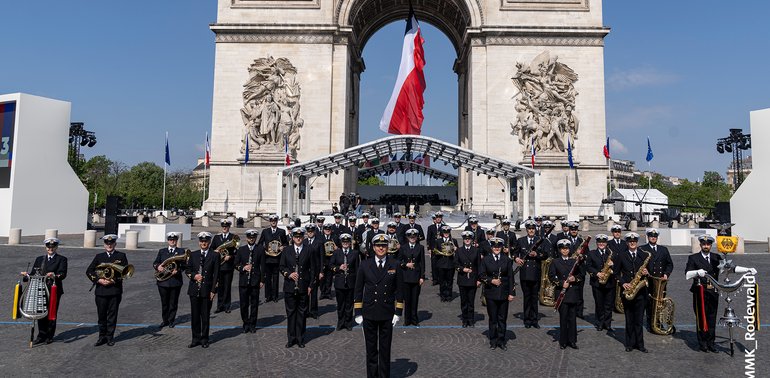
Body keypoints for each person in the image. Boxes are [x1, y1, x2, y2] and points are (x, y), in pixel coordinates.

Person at [354, 234, 404, 378]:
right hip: (369, 312)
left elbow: (399, 290)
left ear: (387, 247)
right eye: (378, 246)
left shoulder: (394, 264)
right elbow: (358, 290)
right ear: (373, 247)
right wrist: (358, 312)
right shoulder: (365, 264)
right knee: (371, 350)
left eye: (383, 246)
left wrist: (398, 312)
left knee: (385, 349)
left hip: (387, 313)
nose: (381, 248)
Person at [21, 238, 67, 345]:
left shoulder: (62, 259)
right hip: (39, 288)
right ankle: (41, 335)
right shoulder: (39, 259)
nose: (50, 249)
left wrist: (54, 275)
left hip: (53, 289)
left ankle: (49, 336)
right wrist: (26, 275)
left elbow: (63, 274)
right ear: (46, 247)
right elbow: (34, 273)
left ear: (56, 247)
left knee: (51, 312)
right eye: (48, 247)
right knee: (40, 312)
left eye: (53, 247)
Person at [86, 234, 128, 347]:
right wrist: (99, 280)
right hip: (101, 291)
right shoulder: (99, 256)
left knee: (112, 315)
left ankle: (110, 337)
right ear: (104, 245)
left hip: (114, 290)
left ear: (115, 244)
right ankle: (101, 336)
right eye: (107, 243)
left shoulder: (121, 256)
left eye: (111, 243)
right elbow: (89, 271)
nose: (109, 245)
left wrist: (113, 281)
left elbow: (125, 274)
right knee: (101, 315)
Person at [280, 228, 317, 348]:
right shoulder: (287, 250)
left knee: (302, 313)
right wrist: (289, 274)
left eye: (300, 236)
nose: (298, 238)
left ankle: (300, 338)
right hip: (290, 286)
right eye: (296, 236)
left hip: (303, 286)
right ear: (292, 238)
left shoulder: (309, 250)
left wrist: (311, 285)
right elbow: (281, 266)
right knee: (291, 313)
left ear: (303, 237)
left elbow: (313, 270)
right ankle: (291, 338)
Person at [479, 237, 516, 350]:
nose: (496, 248)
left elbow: (511, 278)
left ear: (501, 247)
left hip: (504, 293)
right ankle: (493, 340)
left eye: (498, 246)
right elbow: (481, 275)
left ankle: (501, 340)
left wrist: (511, 293)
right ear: (491, 247)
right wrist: (491, 281)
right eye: (494, 247)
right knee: (493, 318)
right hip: (491, 293)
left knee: (502, 318)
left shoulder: (507, 260)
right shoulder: (485, 260)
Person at [186, 232, 220, 348]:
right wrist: (194, 275)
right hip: (194, 290)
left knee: (205, 316)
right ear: (199, 242)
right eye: (201, 241)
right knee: (195, 316)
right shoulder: (193, 254)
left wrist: (213, 291)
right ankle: (195, 338)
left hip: (207, 290)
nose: (203, 243)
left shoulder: (215, 255)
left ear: (209, 242)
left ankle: (205, 339)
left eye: (205, 241)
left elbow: (216, 275)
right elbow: (188, 270)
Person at [617, 232, 648, 353]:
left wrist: (647, 272)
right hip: (628, 291)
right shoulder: (621, 255)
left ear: (637, 242)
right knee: (629, 320)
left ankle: (640, 344)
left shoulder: (643, 255)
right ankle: (629, 344)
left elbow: (649, 271)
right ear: (627, 243)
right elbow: (616, 273)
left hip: (640, 292)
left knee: (639, 320)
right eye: (630, 241)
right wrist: (623, 283)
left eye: (634, 241)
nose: (632, 243)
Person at [550, 239, 583, 349]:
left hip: (572, 294)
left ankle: (572, 341)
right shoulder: (555, 262)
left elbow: (581, 276)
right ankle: (563, 341)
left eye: (567, 248)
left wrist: (575, 278)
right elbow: (551, 276)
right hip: (562, 294)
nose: (565, 250)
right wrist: (560, 283)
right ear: (560, 250)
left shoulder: (574, 261)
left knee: (572, 319)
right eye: (563, 249)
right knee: (563, 318)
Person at [640, 228, 673, 331]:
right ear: (648, 237)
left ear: (657, 238)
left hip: (660, 280)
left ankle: (658, 322)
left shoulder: (663, 249)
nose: (653, 238)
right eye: (651, 236)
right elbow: (637, 263)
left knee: (660, 303)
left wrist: (666, 274)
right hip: (648, 280)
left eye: (655, 236)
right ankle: (650, 323)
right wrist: (643, 270)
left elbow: (669, 264)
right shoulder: (642, 249)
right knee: (649, 302)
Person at [234, 229, 265, 333]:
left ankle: (252, 324)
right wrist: (243, 267)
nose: (251, 239)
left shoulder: (260, 249)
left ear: (255, 238)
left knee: (254, 303)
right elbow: (236, 264)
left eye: (253, 238)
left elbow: (263, 266)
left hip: (255, 280)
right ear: (247, 238)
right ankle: (245, 323)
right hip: (243, 281)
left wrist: (262, 280)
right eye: (250, 238)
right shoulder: (241, 250)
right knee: (243, 304)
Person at [515, 220, 544, 328]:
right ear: (526, 229)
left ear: (535, 229)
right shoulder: (521, 240)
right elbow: (515, 252)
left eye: (533, 229)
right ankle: (527, 319)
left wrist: (537, 254)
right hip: (525, 274)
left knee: (534, 297)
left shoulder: (539, 240)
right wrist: (516, 258)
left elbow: (545, 254)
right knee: (527, 297)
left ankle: (534, 319)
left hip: (536, 273)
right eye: (529, 229)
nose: (531, 230)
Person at [152, 232, 186, 328]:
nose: (172, 241)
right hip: (163, 282)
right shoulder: (162, 251)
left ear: (176, 241)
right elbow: (155, 262)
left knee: (173, 302)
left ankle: (171, 320)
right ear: (168, 241)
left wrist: (178, 270)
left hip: (175, 281)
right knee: (164, 302)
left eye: (174, 240)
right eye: (170, 240)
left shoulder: (181, 251)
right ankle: (165, 320)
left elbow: (184, 265)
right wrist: (158, 267)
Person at [585, 234, 615, 334]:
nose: (601, 244)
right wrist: (597, 273)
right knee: (599, 304)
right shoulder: (591, 253)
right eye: (599, 242)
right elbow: (588, 266)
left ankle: (608, 324)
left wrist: (613, 265)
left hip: (609, 283)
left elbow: (619, 267)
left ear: (606, 243)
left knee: (609, 304)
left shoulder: (611, 253)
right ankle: (600, 323)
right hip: (597, 283)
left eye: (603, 242)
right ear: (597, 243)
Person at [330, 233, 359, 330]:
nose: (345, 243)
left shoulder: (355, 253)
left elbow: (357, 269)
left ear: (350, 243)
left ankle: (348, 322)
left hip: (350, 281)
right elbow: (331, 265)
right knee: (340, 304)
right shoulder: (336, 253)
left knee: (349, 304)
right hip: (339, 282)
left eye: (347, 242)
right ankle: (341, 322)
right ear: (341, 243)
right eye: (343, 242)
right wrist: (339, 268)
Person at [258, 214, 288, 302]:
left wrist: (283, 247)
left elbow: (286, 243)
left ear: (277, 221)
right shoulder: (265, 231)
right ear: (270, 221)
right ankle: (268, 296)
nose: (273, 222)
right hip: (267, 258)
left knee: (276, 278)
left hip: (277, 258)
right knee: (267, 278)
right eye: (272, 220)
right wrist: (265, 249)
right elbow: (260, 243)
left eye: (275, 220)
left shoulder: (282, 231)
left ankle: (275, 296)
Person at [398, 228, 425, 326]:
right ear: (407, 237)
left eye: (414, 237)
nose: (412, 238)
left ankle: (414, 319)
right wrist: (406, 265)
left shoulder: (420, 247)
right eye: (410, 237)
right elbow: (399, 261)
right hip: (406, 276)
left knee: (415, 299)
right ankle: (407, 319)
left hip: (416, 277)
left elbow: (422, 262)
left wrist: (422, 276)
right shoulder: (403, 247)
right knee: (407, 300)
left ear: (417, 237)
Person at [455, 231, 480, 327]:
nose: (467, 240)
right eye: (465, 238)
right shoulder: (459, 250)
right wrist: (462, 269)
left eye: (469, 238)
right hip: (462, 279)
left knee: (471, 301)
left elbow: (479, 265)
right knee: (464, 301)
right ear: (463, 240)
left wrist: (478, 279)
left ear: (472, 240)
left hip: (473, 279)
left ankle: (471, 320)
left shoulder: (476, 250)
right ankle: (465, 320)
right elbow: (455, 264)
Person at [212, 219, 237, 313]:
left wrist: (230, 256)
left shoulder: (233, 237)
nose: (224, 228)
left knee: (227, 286)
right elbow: (211, 250)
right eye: (223, 226)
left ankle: (227, 306)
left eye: (226, 227)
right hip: (219, 266)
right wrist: (215, 252)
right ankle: (219, 306)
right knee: (219, 286)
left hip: (228, 266)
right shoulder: (216, 238)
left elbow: (237, 253)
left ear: (229, 227)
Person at [435, 225, 458, 302]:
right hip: (441, 263)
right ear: (442, 232)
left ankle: (449, 295)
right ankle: (443, 295)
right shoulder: (438, 241)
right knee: (442, 281)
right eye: (444, 232)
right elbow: (435, 252)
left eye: (447, 232)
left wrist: (456, 249)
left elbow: (457, 253)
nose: (446, 233)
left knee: (449, 281)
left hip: (450, 263)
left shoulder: (453, 241)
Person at [426, 212, 445, 285]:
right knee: (434, 264)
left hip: (441, 249)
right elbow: (428, 238)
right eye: (437, 217)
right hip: (433, 248)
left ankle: (441, 279)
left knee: (441, 264)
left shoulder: (444, 227)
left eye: (440, 217)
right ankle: (435, 279)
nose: (438, 219)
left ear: (441, 218)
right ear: (435, 218)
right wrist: (429, 248)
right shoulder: (430, 227)